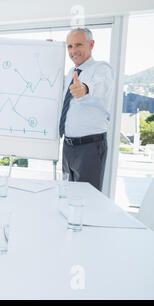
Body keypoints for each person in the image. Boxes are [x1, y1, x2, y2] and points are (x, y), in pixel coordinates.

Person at [59, 28, 114, 191]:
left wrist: (84, 88)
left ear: (91, 44)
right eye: (69, 46)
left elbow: (100, 86)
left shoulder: (102, 68)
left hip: (89, 147)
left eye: (78, 45)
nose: (73, 50)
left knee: (88, 201)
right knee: (67, 195)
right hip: (68, 147)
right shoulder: (71, 73)